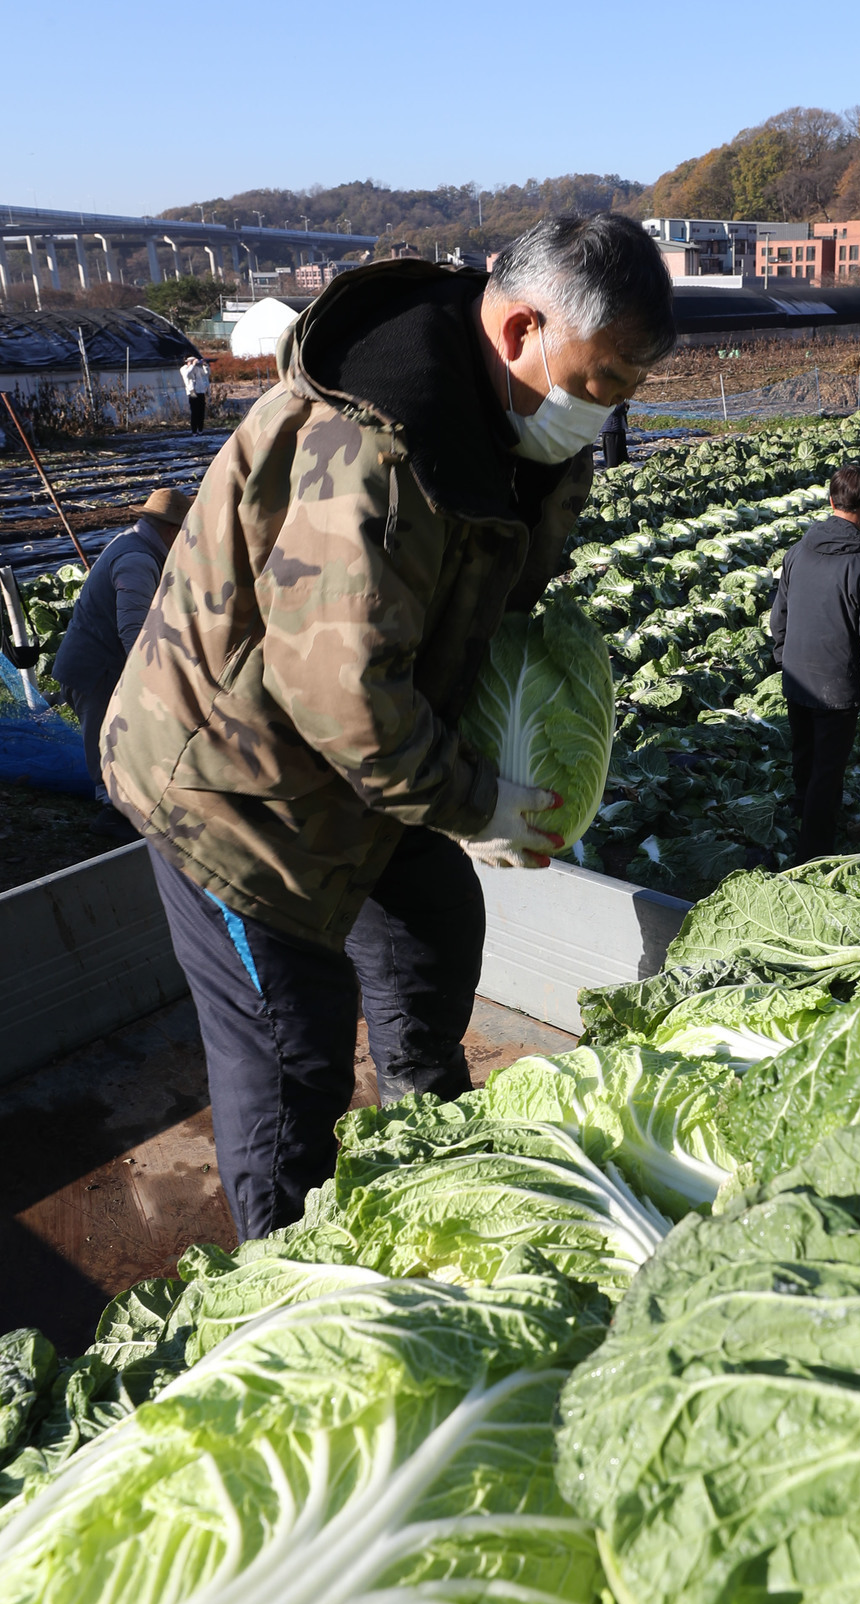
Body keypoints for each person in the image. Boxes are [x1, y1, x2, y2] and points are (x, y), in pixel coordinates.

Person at [103, 213, 674, 1241]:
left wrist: (516, 756)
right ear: (518, 332)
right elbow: (341, 693)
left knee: (431, 935)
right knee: (294, 1059)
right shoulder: (374, 445)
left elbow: (494, 609)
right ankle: (285, 1285)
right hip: (234, 788)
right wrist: (476, 799)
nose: (601, 416)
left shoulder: (511, 421)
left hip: (360, 769)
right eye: (596, 386)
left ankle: (431, 1158)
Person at [770, 464, 860, 863]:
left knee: (803, 754)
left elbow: (780, 616)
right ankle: (813, 854)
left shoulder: (797, 552)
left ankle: (799, 813)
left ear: (830, 501)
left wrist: (782, 657)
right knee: (828, 771)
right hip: (837, 688)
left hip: (797, 678)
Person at [52, 488, 193, 837]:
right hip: (95, 670)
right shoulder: (137, 560)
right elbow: (134, 632)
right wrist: (156, 683)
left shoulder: (135, 543)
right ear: (173, 530)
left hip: (106, 667)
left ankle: (123, 811)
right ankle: (112, 825)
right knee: (107, 748)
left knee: (121, 747)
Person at [180, 353, 210, 433]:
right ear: (188, 362)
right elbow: (187, 374)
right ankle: (194, 431)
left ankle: (200, 429)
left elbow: (206, 373)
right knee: (194, 412)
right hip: (192, 391)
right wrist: (192, 365)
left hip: (201, 391)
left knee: (201, 411)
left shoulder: (197, 368)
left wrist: (204, 365)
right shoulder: (184, 369)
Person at [600, 399, 629, 469]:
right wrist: (623, 404)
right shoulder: (609, 397)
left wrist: (625, 406)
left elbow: (623, 411)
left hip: (618, 430)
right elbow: (614, 410)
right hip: (611, 431)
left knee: (622, 459)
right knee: (613, 460)